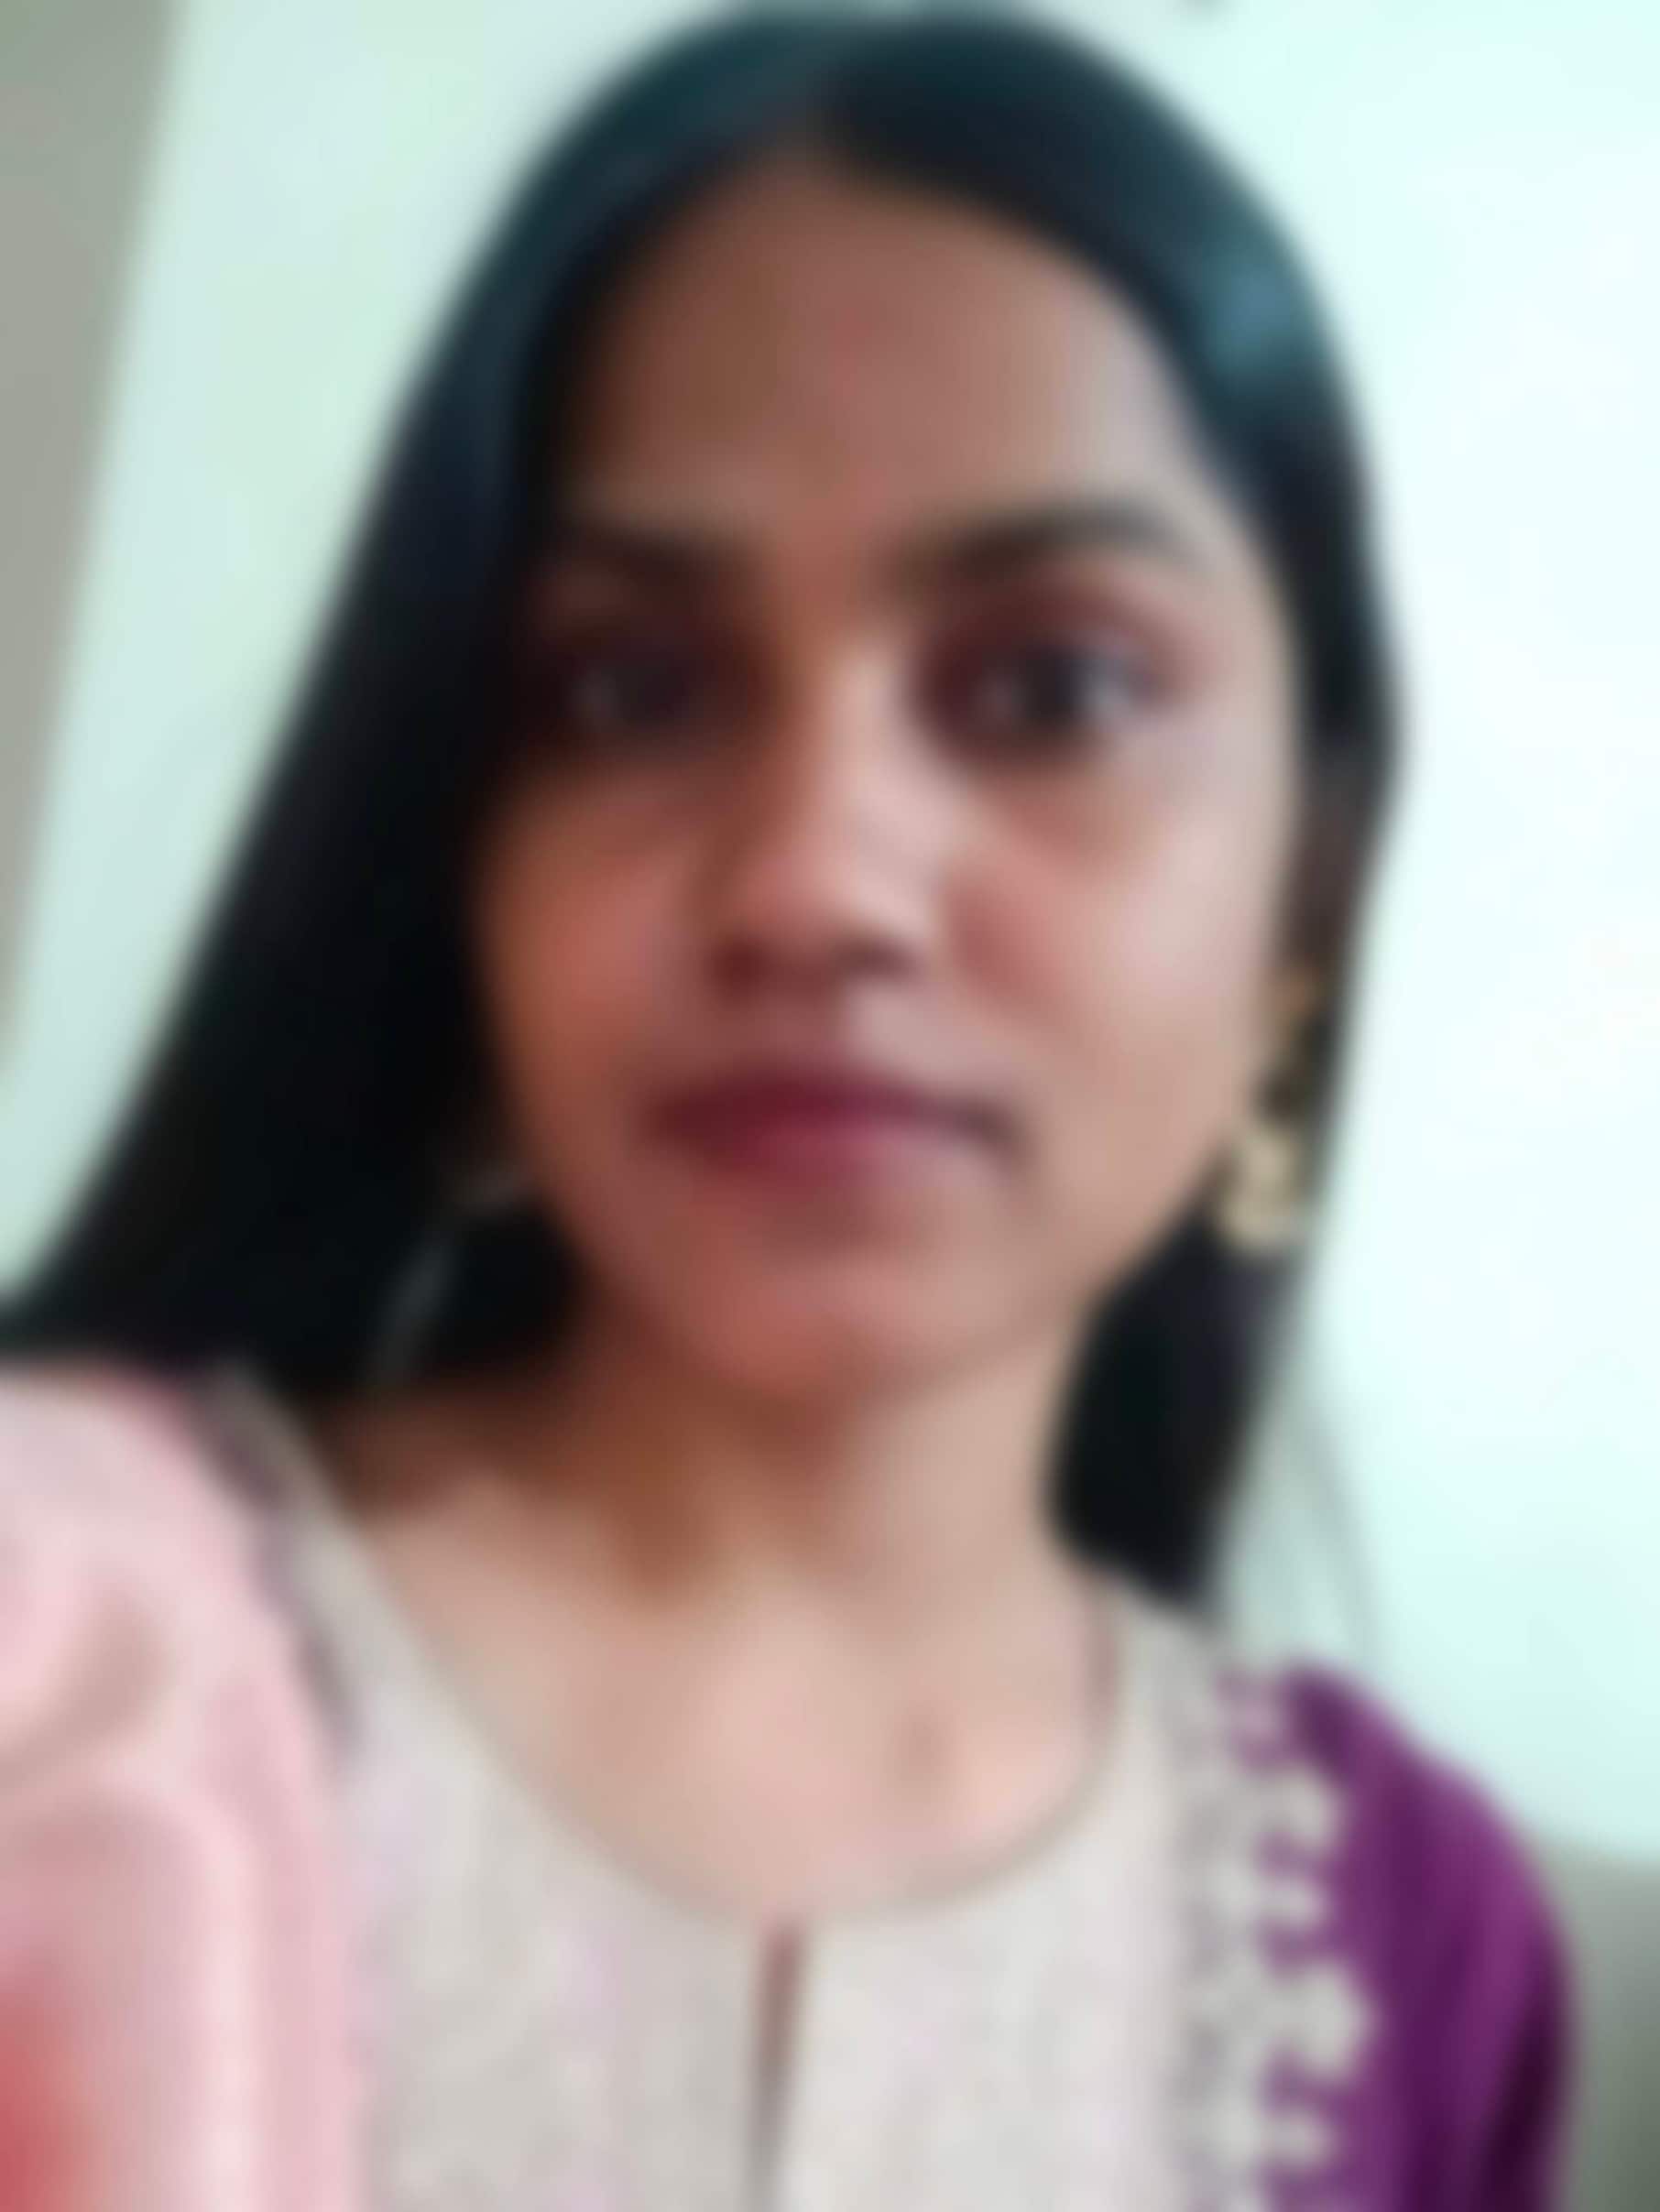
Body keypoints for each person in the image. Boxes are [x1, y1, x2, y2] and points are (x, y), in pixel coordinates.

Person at [0, 13, 1569, 2209]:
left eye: (1054, 685)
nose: (818, 879)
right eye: (631, 687)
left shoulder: (1416, 1947)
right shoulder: (66, 1647)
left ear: (1304, 885)